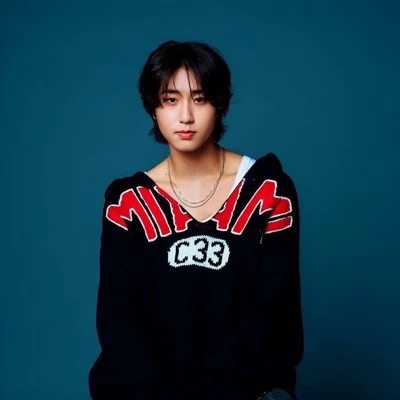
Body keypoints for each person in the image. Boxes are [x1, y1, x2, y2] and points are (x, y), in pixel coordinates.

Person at [88, 40, 304, 400]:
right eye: (171, 100)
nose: (185, 116)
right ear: (153, 107)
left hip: (247, 391)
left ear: (220, 104)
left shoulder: (268, 190)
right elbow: (119, 323)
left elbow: (274, 313)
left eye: (200, 99)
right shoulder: (128, 204)